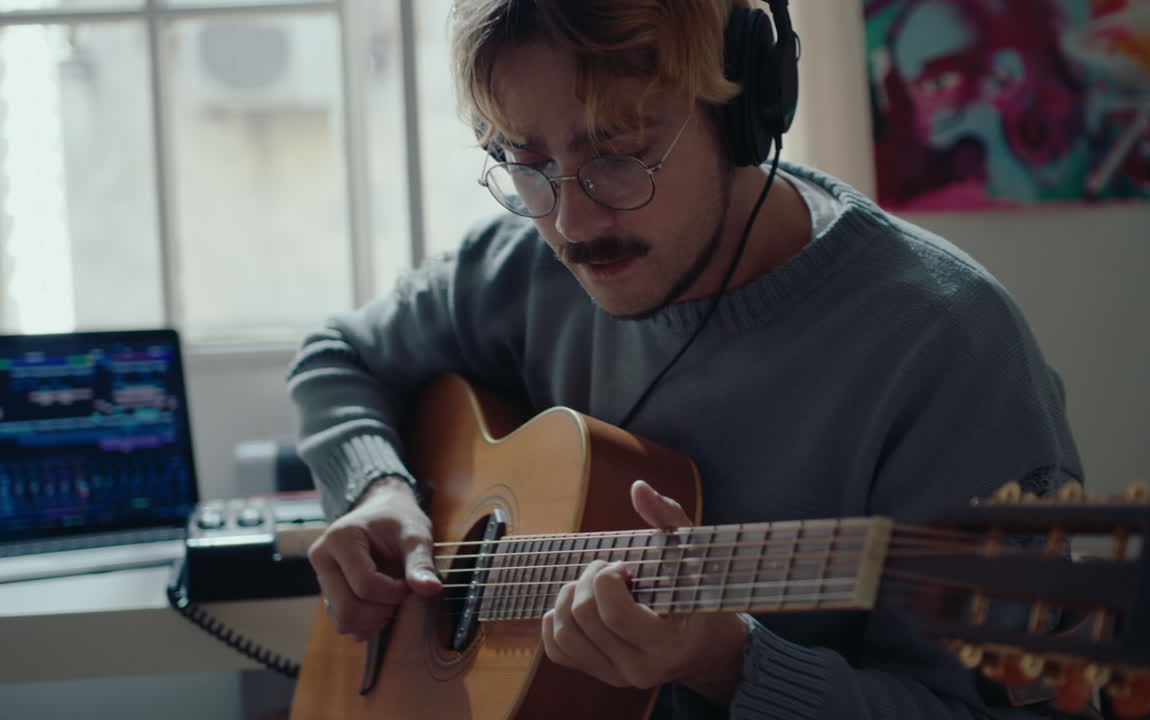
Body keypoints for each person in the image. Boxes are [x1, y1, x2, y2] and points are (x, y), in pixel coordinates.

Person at [287, 1, 1082, 717]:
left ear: (742, 113)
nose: (570, 222)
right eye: (525, 164)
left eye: (617, 154)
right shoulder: (517, 267)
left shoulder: (946, 346)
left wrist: (731, 666)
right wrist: (376, 488)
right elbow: (339, 354)